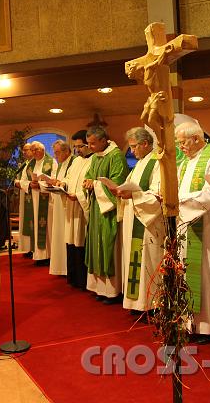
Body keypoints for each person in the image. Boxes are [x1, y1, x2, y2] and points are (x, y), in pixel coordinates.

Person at [175, 121, 210, 338]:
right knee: (188, 274)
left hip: (208, 228)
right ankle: (191, 324)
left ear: (196, 139)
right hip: (187, 224)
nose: (181, 148)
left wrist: (178, 201)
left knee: (209, 275)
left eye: (183, 143)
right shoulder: (185, 163)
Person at [119, 127, 164, 313]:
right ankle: (136, 302)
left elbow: (158, 195)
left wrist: (134, 196)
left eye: (134, 146)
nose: (131, 151)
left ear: (145, 144)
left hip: (148, 223)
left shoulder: (156, 163)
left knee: (148, 261)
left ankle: (151, 304)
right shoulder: (139, 164)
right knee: (135, 260)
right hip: (134, 219)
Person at [83, 126, 128, 303]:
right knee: (96, 245)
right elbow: (89, 177)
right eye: (89, 143)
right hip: (96, 209)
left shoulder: (116, 156)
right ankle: (98, 288)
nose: (90, 147)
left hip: (108, 211)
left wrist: (94, 184)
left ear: (103, 140)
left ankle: (111, 291)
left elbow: (117, 184)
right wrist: (87, 183)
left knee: (108, 246)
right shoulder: (95, 157)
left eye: (93, 143)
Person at [63, 130, 93, 289]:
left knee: (80, 239)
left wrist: (79, 196)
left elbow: (91, 184)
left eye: (80, 146)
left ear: (88, 144)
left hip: (82, 208)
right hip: (71, 206)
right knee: (71, 240)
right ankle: (73, 277)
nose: (77, 150)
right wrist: (62, 184)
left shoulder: (94, 160)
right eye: (75, 147)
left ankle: (82, 280)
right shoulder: (75, 161)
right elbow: (68, 178)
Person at [19, 141, 53, 265]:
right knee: (36, 228)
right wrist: (29, 184)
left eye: (35, 150)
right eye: (32, 150)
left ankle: (48, 256)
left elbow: (54, 180)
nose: (33, 153)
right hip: (32, 199)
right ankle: (38, 255)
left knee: (47, 228)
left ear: (43, 150)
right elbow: (22, 181)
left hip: (46, 200)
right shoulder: (29, 165)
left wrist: (40, 184)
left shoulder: (51, 162)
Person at [45, 140, 74, 276]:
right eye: (54, 153)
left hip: (67, 205)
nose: (55, 156)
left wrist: (61, 184)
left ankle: (66, 267)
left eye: (57, 152)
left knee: (65, 235)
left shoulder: (73, 162)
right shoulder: (62, 164)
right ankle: (60, 266)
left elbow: (71, 182)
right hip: (58, 204)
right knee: (58, 234)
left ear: (66, 151)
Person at [14, 143, 33, 254]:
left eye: (27, 150)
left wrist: (21, 183)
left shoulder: (34, 164)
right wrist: (18, 183)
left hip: (32, 195)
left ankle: (32, 248)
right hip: (24, 195)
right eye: (23, 151)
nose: (25, 153)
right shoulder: (24, 164)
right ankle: (27, 247)